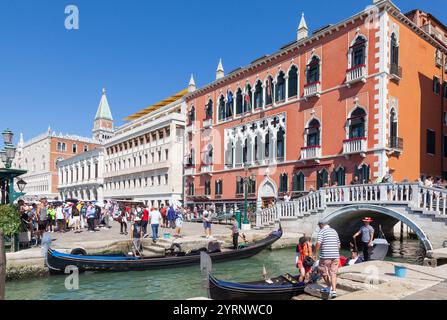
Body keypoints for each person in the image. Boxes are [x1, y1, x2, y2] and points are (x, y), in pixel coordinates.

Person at [315, 219, 341, 299]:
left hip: (325, 256)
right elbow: (339, 245)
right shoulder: (334, 231)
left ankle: (329, 286)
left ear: (321, 224)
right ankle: (334, 291)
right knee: (333, 273)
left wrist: (314, 253)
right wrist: (334, 252)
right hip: (336, 256)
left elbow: (318, 243)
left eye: (319, 225)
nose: (319, 227)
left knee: (322, 271)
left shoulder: (322, 231)